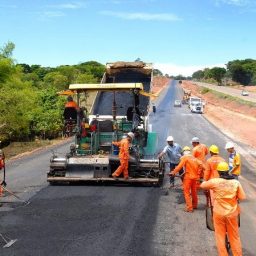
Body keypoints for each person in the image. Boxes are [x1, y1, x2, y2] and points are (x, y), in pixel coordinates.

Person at [200, 161, 246, 256]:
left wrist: (204, 181)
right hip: (232, 213)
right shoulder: (235, 182)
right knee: (234, 237)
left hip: (219, 213)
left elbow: (202, 185)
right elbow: (242, 197)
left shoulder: (215, 181)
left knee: (220, 236)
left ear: (218, 172)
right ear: (228, 171)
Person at [170, 146, 204, 212]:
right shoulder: (194, 158)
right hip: (195, 178)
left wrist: (173, 172)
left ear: (184, 152)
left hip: (188, 178)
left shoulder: (185, 157)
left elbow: (180, 166)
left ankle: (189, 208)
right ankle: (195, 205)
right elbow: (202, 165)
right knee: (194, 192)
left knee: (187, 192)